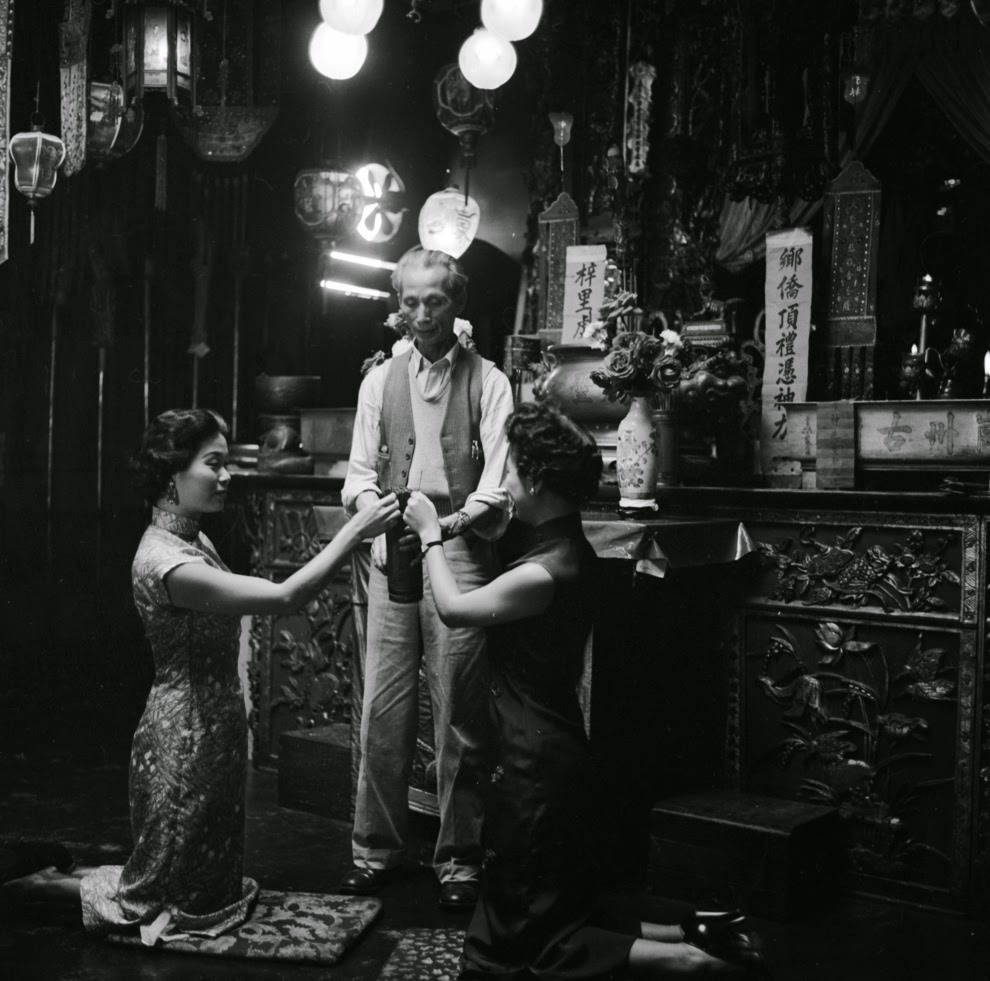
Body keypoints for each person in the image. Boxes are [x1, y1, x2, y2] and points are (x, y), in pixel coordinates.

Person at [0, 408, 400, 944]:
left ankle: (52, 874)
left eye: (228, 462)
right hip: (183, 739)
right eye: (214, 463)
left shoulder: (194, 539)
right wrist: (355, 530)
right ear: (172, 474)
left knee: (203, 887)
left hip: (215, 730)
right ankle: (27, 890)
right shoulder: (165, 561)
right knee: (156, 905)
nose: (227, 475)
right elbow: (285, 597)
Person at [401, 401, 768, 979]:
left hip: (532, 758)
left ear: (538, 481)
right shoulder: (567, 544)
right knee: (547, 900)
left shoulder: (545, 570)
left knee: (530, 938)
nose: (505, 482)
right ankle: (700, 932)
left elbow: (452, 610)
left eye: (514, 471)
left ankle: (686, 960)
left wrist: (429, 536)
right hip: (551, 742)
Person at [339, 246, 514, 910]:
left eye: (433, 301)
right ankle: (374, 849)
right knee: (383, 710)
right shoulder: (379, 382)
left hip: (460, 557)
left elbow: (500, 485)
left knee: (459, 718)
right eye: (409, 301)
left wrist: (450, 523)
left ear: (457, 302)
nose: (420, 314)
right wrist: (372, 508)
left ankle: (459, 857)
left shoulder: (488, 380)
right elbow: (357, 474)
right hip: (392, 555)